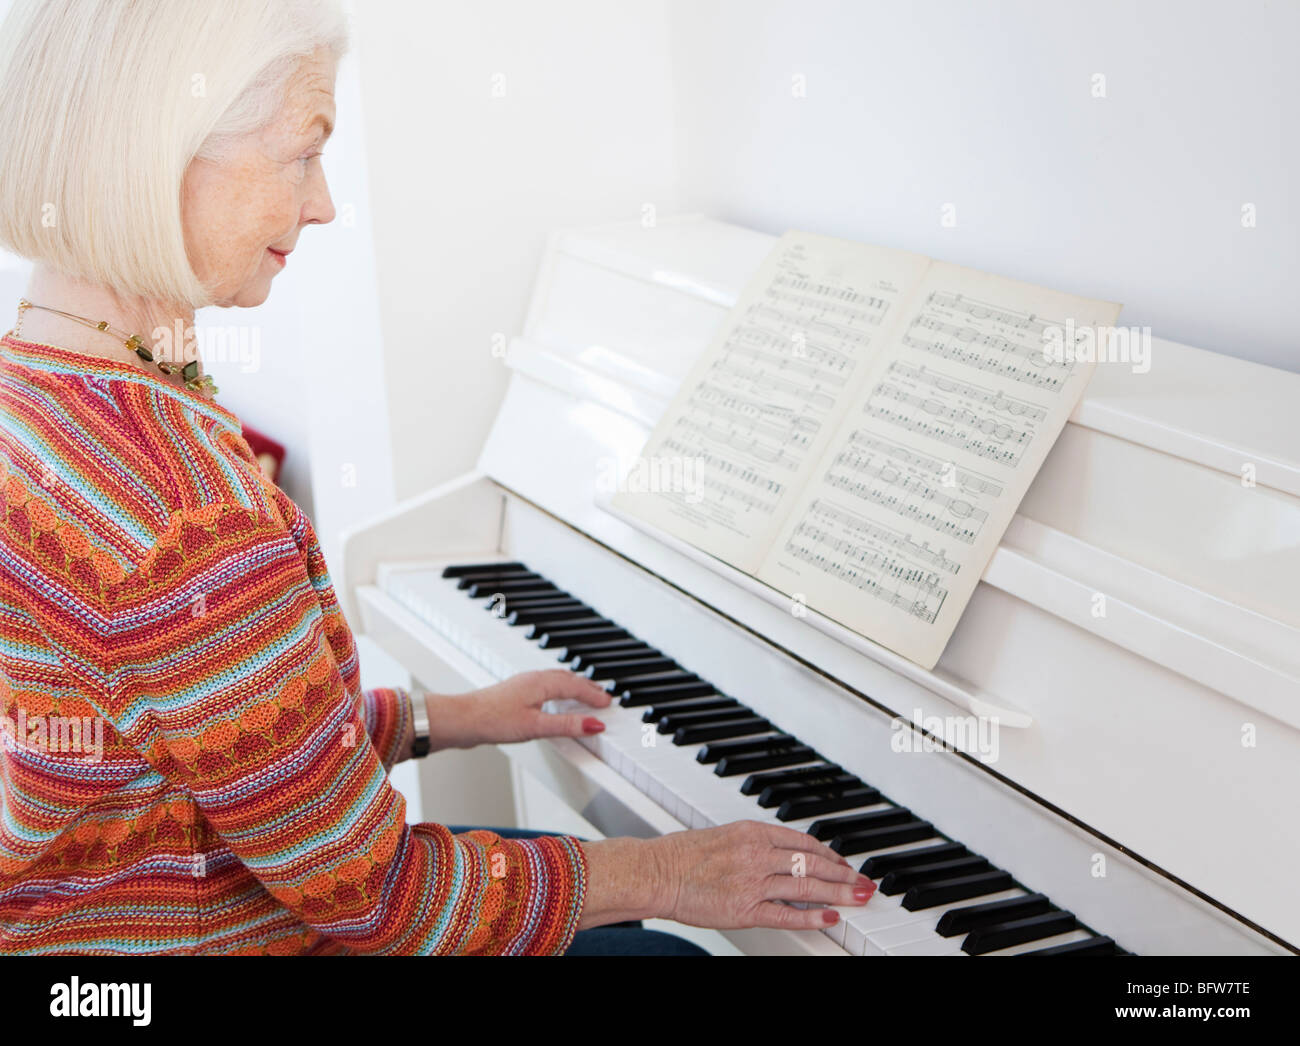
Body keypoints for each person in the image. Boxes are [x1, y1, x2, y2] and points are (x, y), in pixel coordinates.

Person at [0, 0, 875, 955]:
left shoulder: (38, 393)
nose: (324, 201)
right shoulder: (185, 517)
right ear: (164, 151)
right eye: (304, 152)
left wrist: (438, 719)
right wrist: (668, 871)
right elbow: (378, 899)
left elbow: (208, 743)